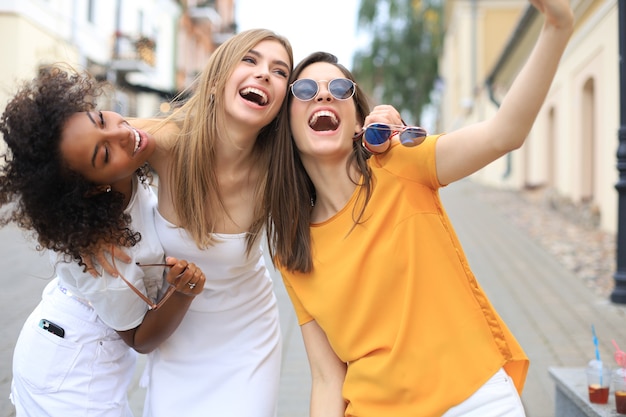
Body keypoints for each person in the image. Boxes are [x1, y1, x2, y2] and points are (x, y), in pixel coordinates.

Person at [265, 0, 574, 416]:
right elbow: (326, 377)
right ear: (288, 121)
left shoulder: (402, 165)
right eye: (304, 90)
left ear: (358, 121)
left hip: (474, 399)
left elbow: (505, 133)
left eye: (340, 89)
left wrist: (557, 25)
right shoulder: (291, 248)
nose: (323, 93)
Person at [0, 65, 205, 417]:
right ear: (93, 187)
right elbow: (140, 339)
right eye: (104, 154)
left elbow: (167, 126)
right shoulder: (110, 258)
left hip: (59, 341)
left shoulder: (115, 176)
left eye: (100, 118)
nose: (122, 133)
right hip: (73, 377)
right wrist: (183, 292)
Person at [128, 28, 294, 416]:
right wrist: (91, 236)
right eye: (250, 60)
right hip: (176, 333)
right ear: (218, 79)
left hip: (248, 337)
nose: (264, 74)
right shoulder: (169, 142)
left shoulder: (281, 168)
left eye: (280, 71)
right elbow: (85, 138)